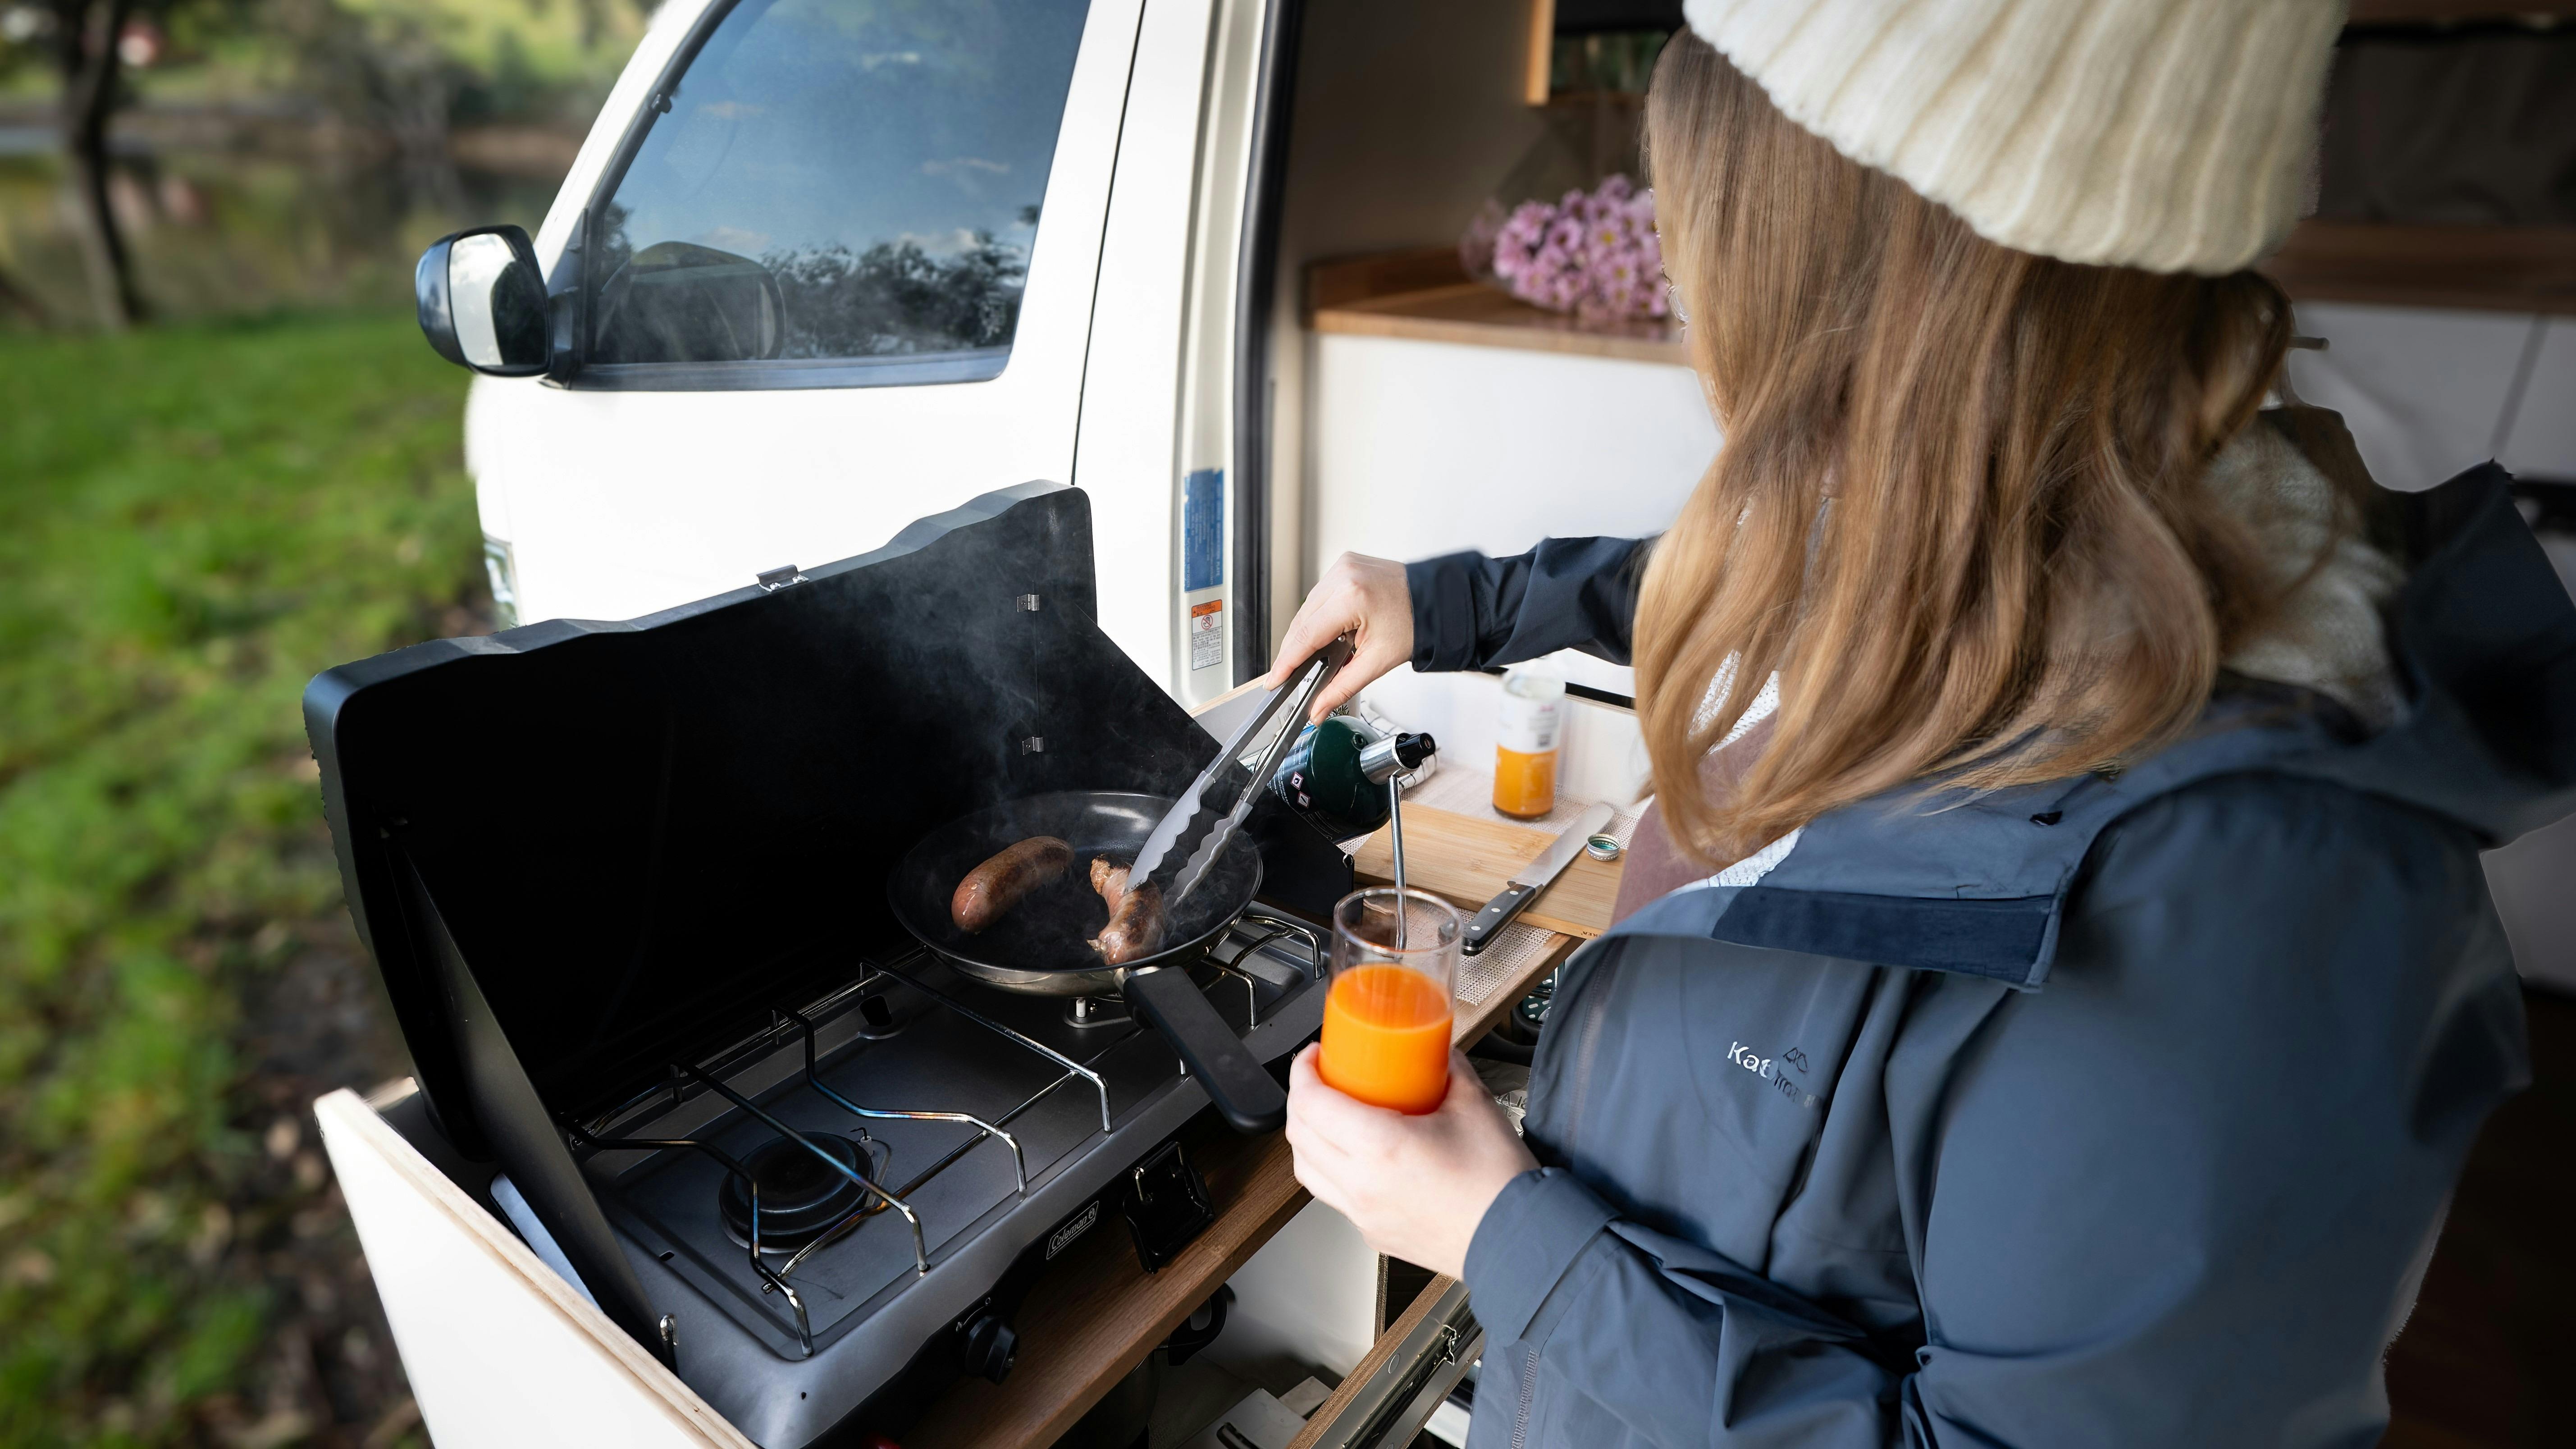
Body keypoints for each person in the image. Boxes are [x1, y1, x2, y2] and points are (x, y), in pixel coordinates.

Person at [1262, 3, 2576, 1445]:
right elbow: (1812, 576)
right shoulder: (2053, 516)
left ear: (1893, 289)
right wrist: (1449, 602)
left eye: (1724, 263)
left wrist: (1500, 1234)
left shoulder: (2269, 896)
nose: (1705, 326)